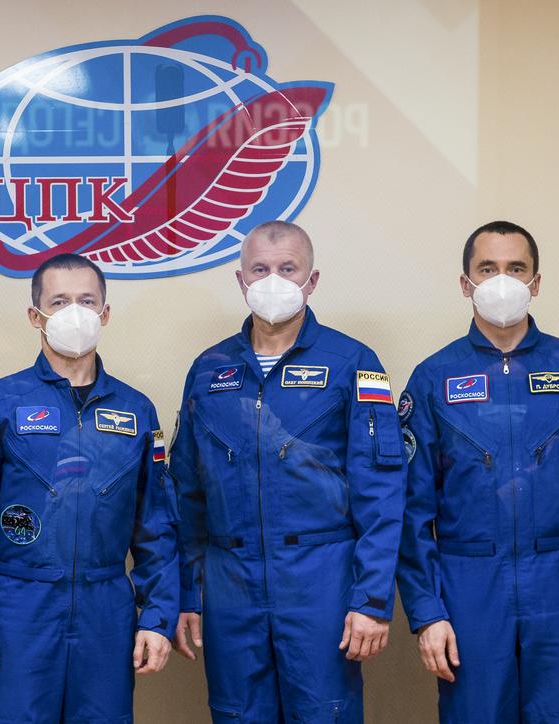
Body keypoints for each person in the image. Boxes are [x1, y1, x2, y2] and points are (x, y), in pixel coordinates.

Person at [396, 220, 559, 723]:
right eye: (488, 269)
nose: (501, 281)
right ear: (465, 284)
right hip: (468, 588)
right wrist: (427, 613)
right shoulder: (432, 379)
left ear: (536, 282)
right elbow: (410, 511)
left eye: (515, 268)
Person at [170, 220, 405, 722]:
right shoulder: (208, 371)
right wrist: (189, 592)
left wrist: (371, 600)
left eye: (287, 268)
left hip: (322, 580)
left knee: (326, 712)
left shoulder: (353, 363)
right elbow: (186, 494)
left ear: (311, 280)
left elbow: (382, 493)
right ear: (241, 281)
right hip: (230, 583)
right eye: (260, 269)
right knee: (236, 713)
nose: (272, 279)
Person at [0, 253, 178, 723]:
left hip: (105, 611)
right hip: (17, 609)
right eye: (59, 301)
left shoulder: (136, 411)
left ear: (105, 314)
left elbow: (158, 527)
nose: (75, 312)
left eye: (87, 301)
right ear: (35, 316)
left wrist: (158, 616)